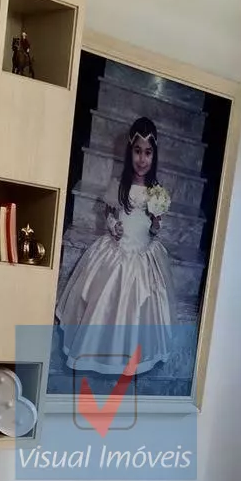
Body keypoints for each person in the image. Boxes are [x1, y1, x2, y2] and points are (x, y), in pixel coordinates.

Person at [56, 117, 175, 374]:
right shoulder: (119, 185)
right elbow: (109, 213)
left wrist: (156, 222)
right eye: (137, 151)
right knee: (105, 298)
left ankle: (132, 354)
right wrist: (113, 225)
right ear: (129, 151)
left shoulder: (157, 191)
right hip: (117, 250)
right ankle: (96, 349)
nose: (142, 159)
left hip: (143, 253)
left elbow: (155, 229)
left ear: (154, 155)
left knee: (141, 305)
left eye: (148, 153)